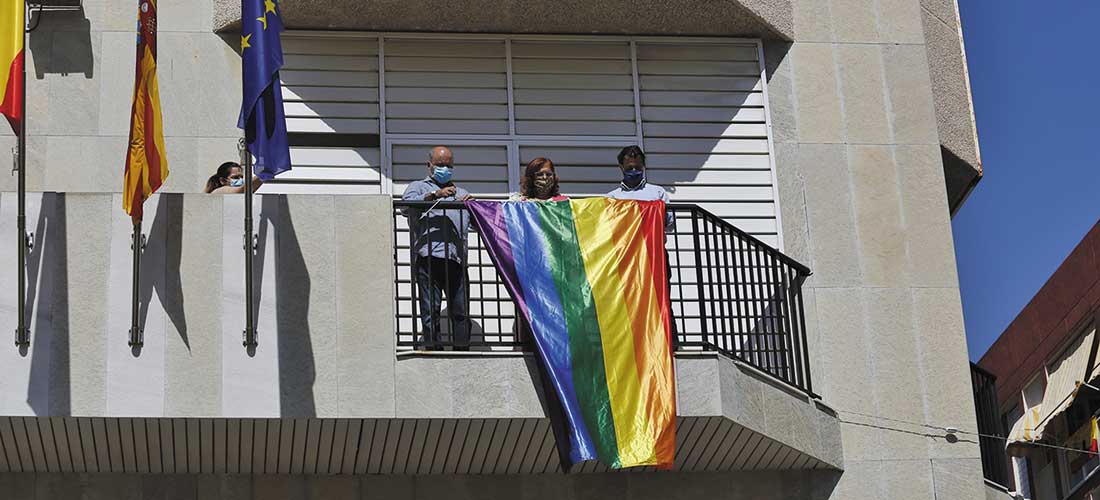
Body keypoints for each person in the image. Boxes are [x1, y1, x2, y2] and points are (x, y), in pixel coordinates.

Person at [401, 146, 473, 351]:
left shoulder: (461, 193)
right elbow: (405, 206)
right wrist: (434, 195)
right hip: (428, 258)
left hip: (456, 259)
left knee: (460, 309)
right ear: (429, 165)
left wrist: (475, 208)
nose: (445, 169)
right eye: (440, 165)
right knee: (430, 309)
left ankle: (462, 350)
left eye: (448, 165)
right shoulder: (418, 187)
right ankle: (433, 348)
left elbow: (477, 224)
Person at [606, 145, 678, 339]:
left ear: (644, 166)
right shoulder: (612, 198)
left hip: (655, 255)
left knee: (660, 298)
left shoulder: (658, 193)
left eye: (637, 167)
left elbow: (670, 225)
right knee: (627, 299)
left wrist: (656, 213)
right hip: (626, 257)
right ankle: (631, 341)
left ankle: (669, 341)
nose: (634, 171)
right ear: (621, 167)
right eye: (629, 168)